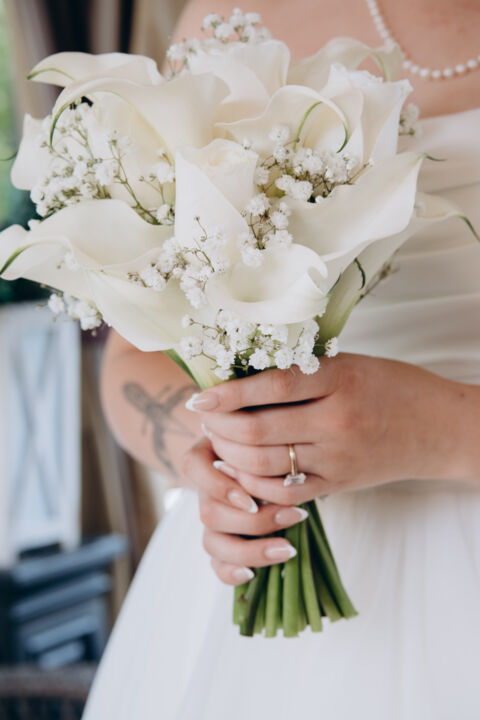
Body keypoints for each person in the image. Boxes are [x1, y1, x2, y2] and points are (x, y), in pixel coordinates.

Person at [83, 1, 480, 717]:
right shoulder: (232, 15)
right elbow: (135, 358)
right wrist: (232, 458)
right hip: (269, 567)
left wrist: (446, 431)